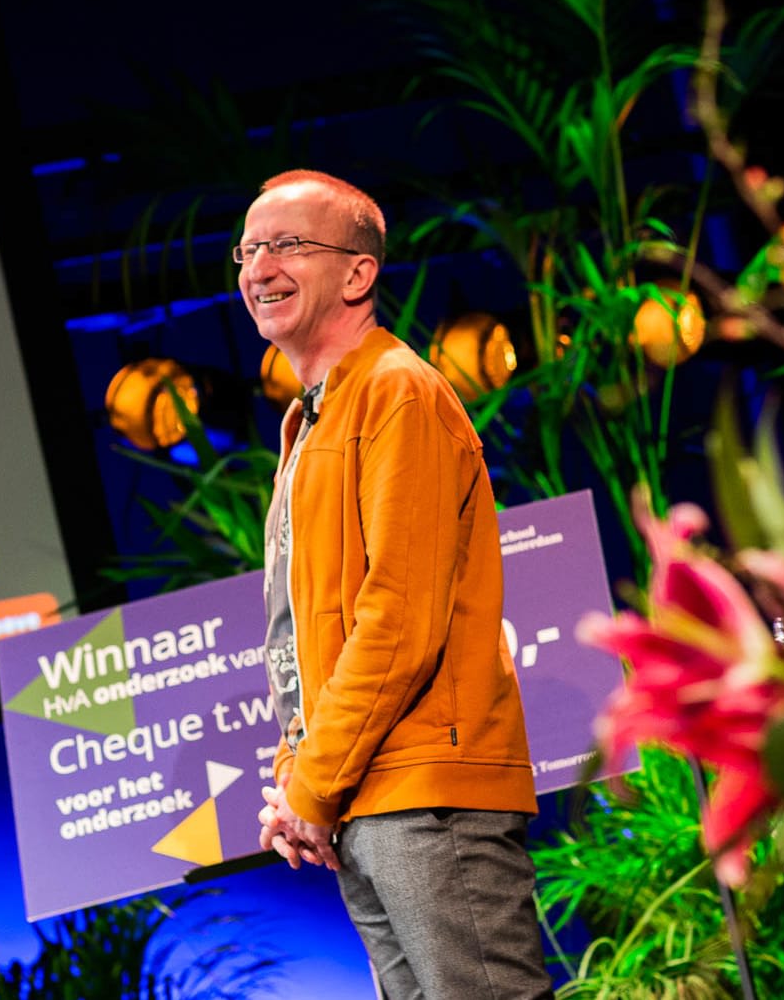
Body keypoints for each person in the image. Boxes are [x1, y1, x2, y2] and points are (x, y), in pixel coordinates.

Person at [241, 169, 553, 1000]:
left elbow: (397, 617)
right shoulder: (313, 416)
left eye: (287, 244)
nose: (258, 266)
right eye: (249, 248)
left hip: (427, 794)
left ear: (357, 272)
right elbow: (308, 627)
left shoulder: (396, 392)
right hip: (367, 797)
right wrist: (299, 771)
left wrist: (311, 783)